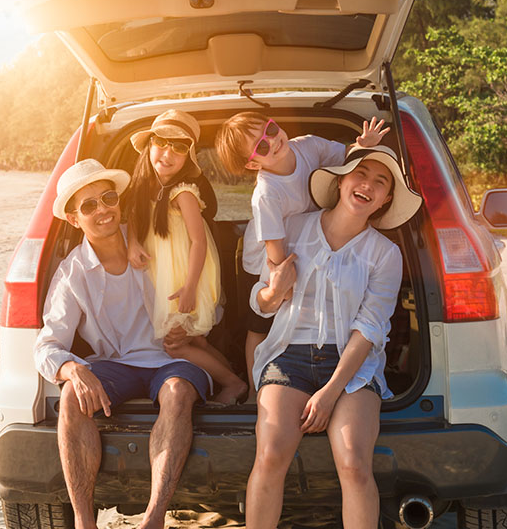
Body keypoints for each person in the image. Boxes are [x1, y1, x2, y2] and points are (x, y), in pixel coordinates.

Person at [244, 145, 422, 529]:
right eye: (361, 174)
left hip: (351, 367)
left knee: (355, 463)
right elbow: (261, 301)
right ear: (341, 181)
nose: (368, 185)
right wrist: (273, 293)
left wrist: (330, 392)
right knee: (271, 453)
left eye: (381, 182)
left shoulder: (385, 254)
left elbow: (370, 329)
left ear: (386, 200)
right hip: (288, 355)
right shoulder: (293, 229)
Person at [33, 158, 210, 529]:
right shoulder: (72, 273)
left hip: (174, 357)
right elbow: (46, 345)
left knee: (177, 392)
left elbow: (207, 291)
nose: (102, 210)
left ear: (119, 201)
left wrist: (193, 328)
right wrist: (73, 368)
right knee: (71, 395)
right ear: (73, 219)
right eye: (88, 205)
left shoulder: (153, 239)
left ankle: (154, 519)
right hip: (117, 365)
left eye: (108, 197)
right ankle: (84, 522)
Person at [214, 112, 390, 394]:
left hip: (311, 242)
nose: (272, 142)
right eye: (260, 147)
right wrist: (280, 285)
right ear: (252, 163)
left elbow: (347, 159)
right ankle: (254, 389)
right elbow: (275, 250)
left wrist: (363, 145)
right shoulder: (266, 193)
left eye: (270, 129)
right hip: (266, 254)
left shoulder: (307, 145)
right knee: (259, 324)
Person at [124, 109, 247, 405]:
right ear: (150, 145)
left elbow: (199, 241)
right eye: (162, 143)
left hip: (186, 279)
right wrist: (131, 244)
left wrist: (191, 288)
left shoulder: (183, 191)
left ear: (188, 157)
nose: (168, 153)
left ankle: (234, 383)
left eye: (179, 148)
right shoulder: (144, 189)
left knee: (174, 346)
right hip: (165, 278)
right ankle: (235, 376)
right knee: (195, 341)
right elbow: (133, 220)